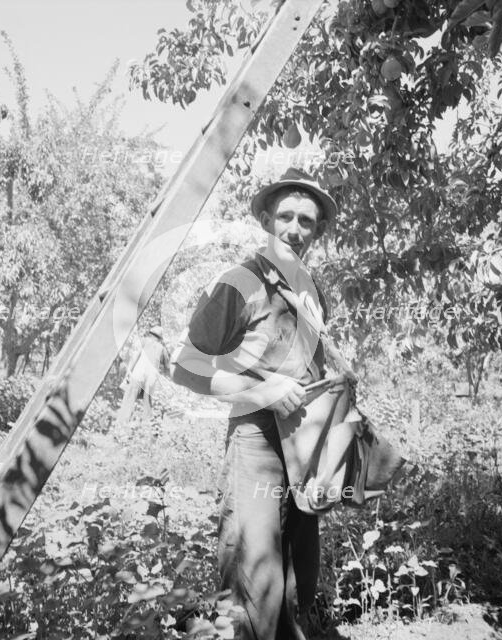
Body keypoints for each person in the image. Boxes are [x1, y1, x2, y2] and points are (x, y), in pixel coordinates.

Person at [170, 167, 339, 640]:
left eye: (307, 221)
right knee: (252, 575)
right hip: (256, 442)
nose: (296, 229)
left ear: (318, 229)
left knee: (298, 570)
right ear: (266, 218)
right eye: (285, 216)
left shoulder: (312, 291)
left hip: (303, 446)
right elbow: (185, 366)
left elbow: (314, 369)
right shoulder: (240, 281)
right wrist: (259, 392)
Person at [116, 325, 170, 425]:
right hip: (151, 379)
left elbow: (135, 357)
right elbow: (168, 368)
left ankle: (121, 426)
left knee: (128, 401)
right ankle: (146, 428)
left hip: (138, 374)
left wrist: (128, 373)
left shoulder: (143, 341)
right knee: (148, 406)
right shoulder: (162, 348)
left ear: (150, 334)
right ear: (160, 338)